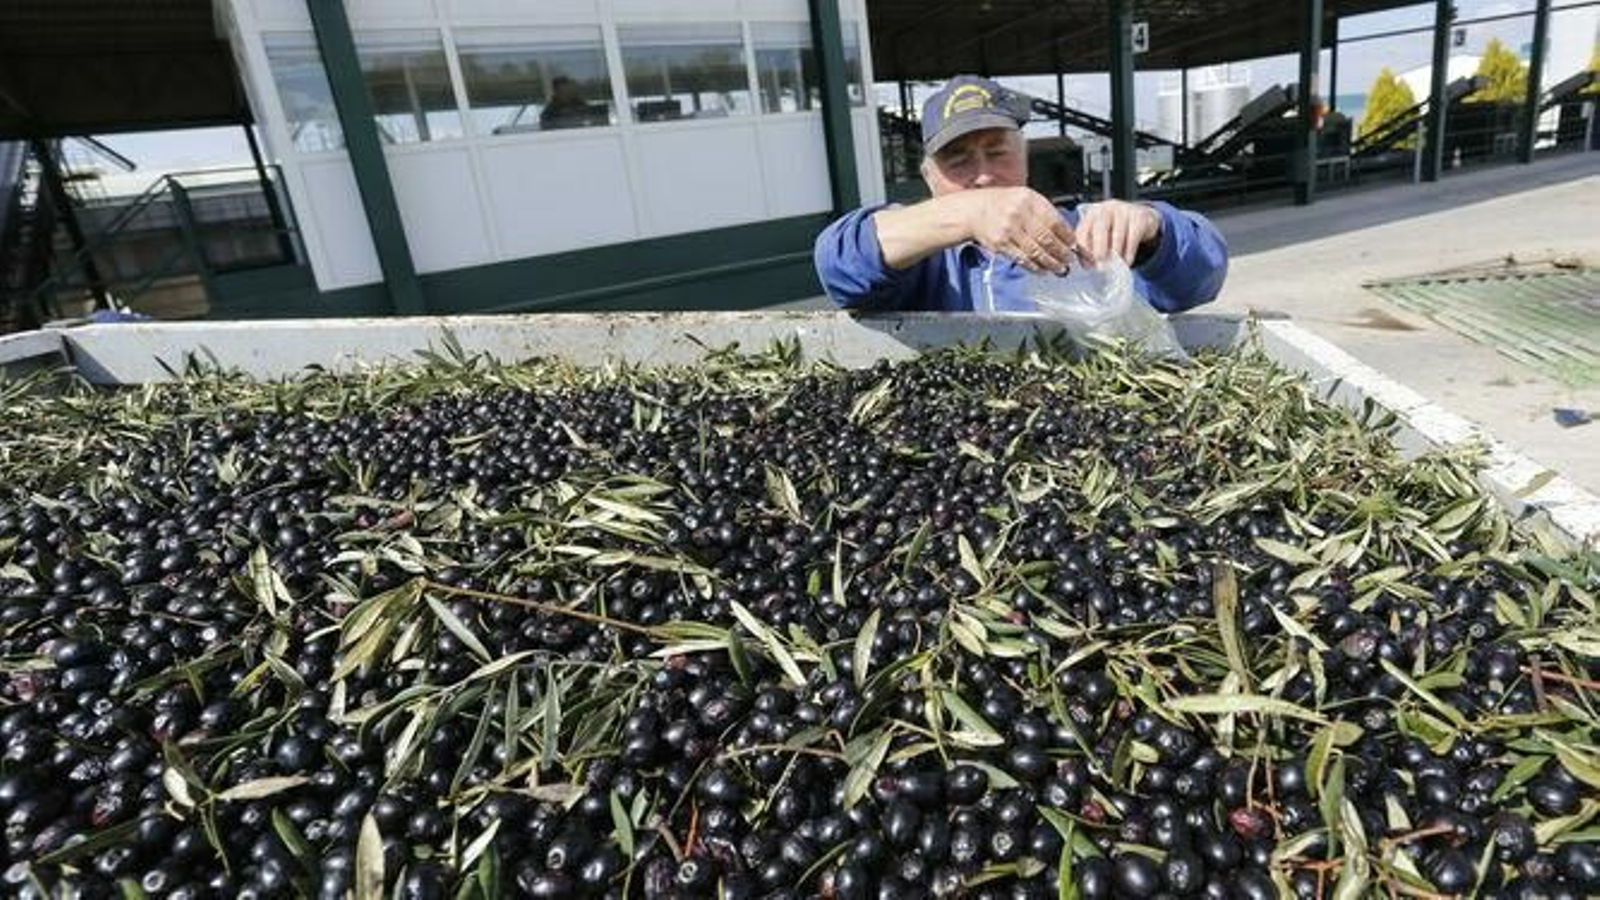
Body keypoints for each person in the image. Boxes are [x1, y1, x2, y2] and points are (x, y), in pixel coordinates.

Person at [814, 75, 1228, 313]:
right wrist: (968, 215)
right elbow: (839, 265)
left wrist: (1153, 226)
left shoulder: (1082, 237)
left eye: (997, 153)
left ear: (1025, 158)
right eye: (958, 161)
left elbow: (1201, 275)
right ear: (928, 177)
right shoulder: (923, 261)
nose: (982, 177)